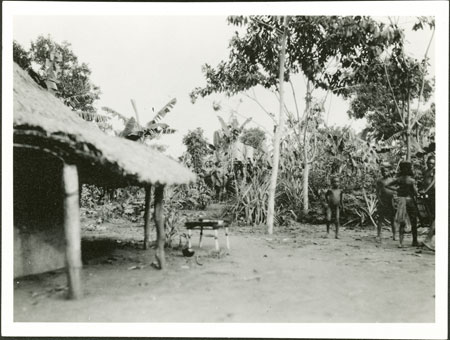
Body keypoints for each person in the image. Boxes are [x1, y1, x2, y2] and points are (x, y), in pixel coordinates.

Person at [385, 161, 419, 248]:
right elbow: (415, 192)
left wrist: (397, 190)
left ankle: (401, 242)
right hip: (409, 201)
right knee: (413, 221)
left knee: (402, 222)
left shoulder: (399, 179)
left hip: (401, 201)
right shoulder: (411, 180)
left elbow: (387, 185)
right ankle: (414, 241)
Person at [376, 163, 396, 242]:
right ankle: (378, 234)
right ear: (381, 172)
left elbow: (396, 189)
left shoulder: (392, 180)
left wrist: (395, 199)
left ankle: (394, 235)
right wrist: (380, 201)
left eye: (386, 171)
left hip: (390, 200)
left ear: (389, 171)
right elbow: (377, 192)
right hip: (382, 200)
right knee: (380, 218)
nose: (385, 173)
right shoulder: (380, 181)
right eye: (383, 171)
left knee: (392, 218)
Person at [420, 155, 435, 251]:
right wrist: (422, 190)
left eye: (432, 163)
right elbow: (424, 181)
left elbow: (433, 182)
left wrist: (426, 190)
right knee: (431, 216)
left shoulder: (435, 170)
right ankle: (429, 239)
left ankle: (429, 239)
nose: (431, 165)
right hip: (428, 195)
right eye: (429, 163)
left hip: (432, 193)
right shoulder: (426, 171)